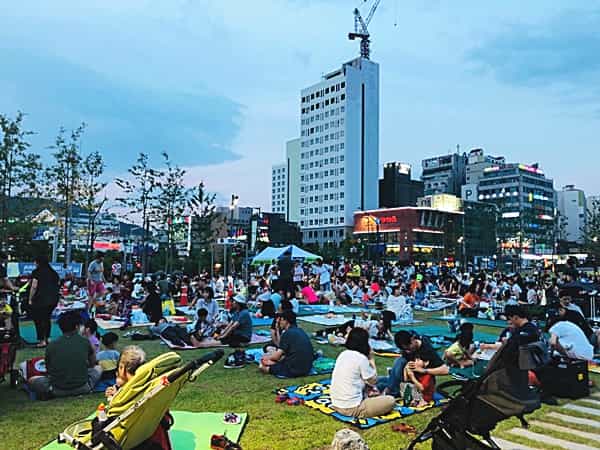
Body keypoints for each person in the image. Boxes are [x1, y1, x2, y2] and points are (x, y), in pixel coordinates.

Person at [29, 311, 102, 399]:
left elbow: (48, 368)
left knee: (32, 380)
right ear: (77, 326)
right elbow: (92, 364)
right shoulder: (85, 342)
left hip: (56, 389)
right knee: (99, 368)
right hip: (83, 387)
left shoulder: (52, 345)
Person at [330, 328, 396, 418]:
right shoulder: (361, 358)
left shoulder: (343, 354)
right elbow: (373, 380)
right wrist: (371, 359)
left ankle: (383, 389)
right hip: (351, 407)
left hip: (336, 402)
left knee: (384, 380)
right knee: (390, 401)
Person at [378, 330, 449, 397]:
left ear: (413, 339)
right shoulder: (407, 347)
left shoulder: (427, 351)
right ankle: (388, 386)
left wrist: (423, 370)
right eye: (405, 349)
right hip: (407, 379)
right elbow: (405, 376)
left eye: (409, 348)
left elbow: (445, 370)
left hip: (419, 381)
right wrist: (407, 370)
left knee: (399, 361)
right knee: (377, 381)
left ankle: (390, 390)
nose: (407, 352)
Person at [260, 311, 314, 377]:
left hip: (294, 369)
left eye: (281, 320)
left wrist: (266, 358)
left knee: (262, 367)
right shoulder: (300, 330)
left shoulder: (288, 333)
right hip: (307, 368)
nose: (280, 322)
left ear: (286, 321)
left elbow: (276, 357)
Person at [28, 254, 60, 347]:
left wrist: (30, 299)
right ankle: (48, 338)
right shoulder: (53, 272)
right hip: (53, 300)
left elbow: (34, 286)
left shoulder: (36, 272)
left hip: (40, 299)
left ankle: (42, 340)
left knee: (38, 320)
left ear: (38, 262)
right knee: (47, 319)